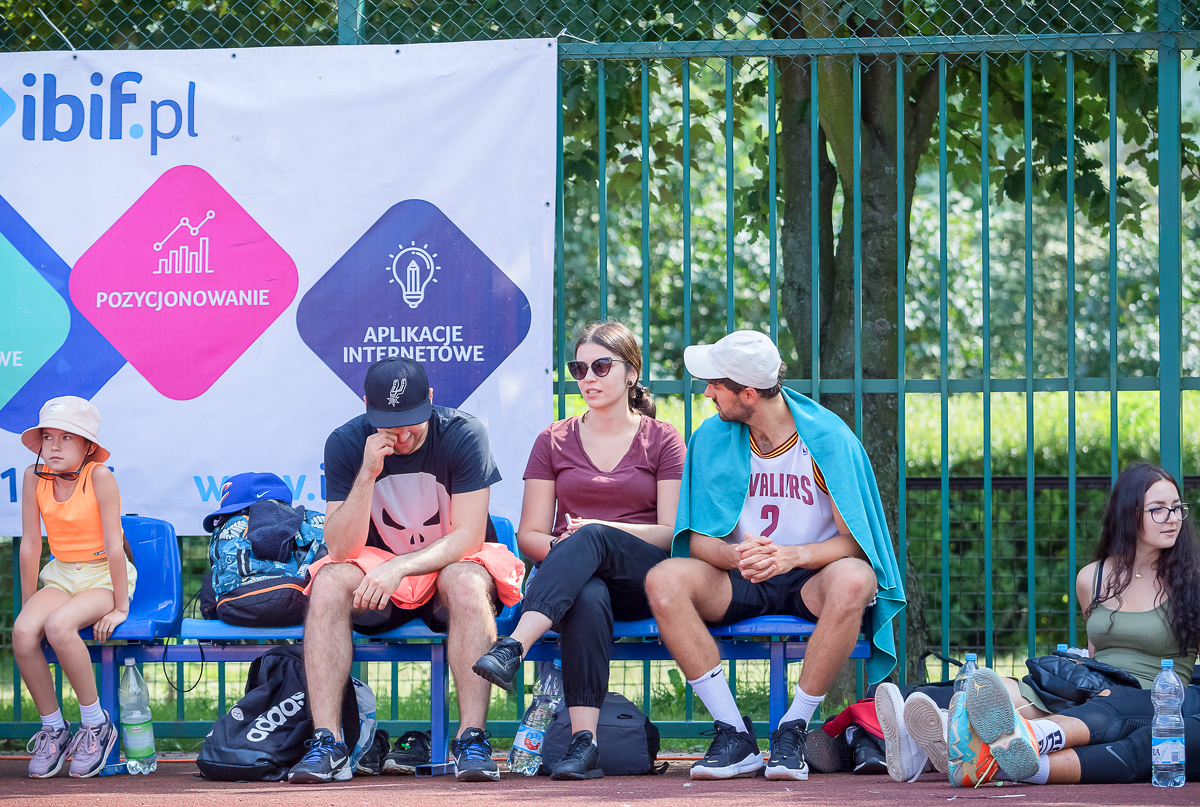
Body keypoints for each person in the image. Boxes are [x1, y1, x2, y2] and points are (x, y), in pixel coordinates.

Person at [644, 330, 906, 781]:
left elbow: (858, 545)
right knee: (663, 579)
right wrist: (735, 555)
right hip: (738, 576)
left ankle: (793, 730)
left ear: (748, 394)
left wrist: (792, 555)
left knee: (856, 579)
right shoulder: (711, 436)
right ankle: (733, 734)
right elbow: (696, 542)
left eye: (715, 385)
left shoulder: (826, 439)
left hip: (811, 577)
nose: (707, 393)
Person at [287, 358, 523, 784]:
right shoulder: (345, 442)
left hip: (444, 565)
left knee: (467, 582)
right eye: (389, 424)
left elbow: (468, 536)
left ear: (430, 400)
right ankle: (328, 743)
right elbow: (340, 548)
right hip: (376, 576)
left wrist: (400, 566)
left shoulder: (463, 433)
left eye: (412, 420)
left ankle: (472, 740)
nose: (402, 434)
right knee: (328, 581)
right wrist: (367, 474)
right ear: (367, 407)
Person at [472, 321, 685, 780]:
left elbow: (670, 533)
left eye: (601, 366)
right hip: (571, 585)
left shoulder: (663, 439)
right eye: (579, 368)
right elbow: (530, 535)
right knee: (587, 592)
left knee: (591, 538)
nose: (588, 377)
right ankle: (584, 743)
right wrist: (572, 548)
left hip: (641, 579)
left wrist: (597, 531)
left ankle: (513, 646)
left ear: (631, 373)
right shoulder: (553, 439)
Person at [950, 462, 1200, 786]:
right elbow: (1096, 654)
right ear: (1129, 514)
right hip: (1093, 687)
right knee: (999, 690)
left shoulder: (1192, 584)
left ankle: (1018, 743)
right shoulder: (1091, 577)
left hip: (1150, 700)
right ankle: (936, 740)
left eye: (1177, 508)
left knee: (1111, 706)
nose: (1173, 518)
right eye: (1159, 509)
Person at [13, 396, 137, 779]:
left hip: (103, 575)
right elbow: (31, 544)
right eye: (48, 436)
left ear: (87, 445)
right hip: (62, 574)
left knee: (59, 626)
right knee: (23, 631)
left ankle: (95, 724)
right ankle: (54, 728)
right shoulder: (33, 476)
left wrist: (120, 607)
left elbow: (115, 546)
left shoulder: (99, 476)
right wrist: (30, 604)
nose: (54, 445)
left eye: (67, 437)